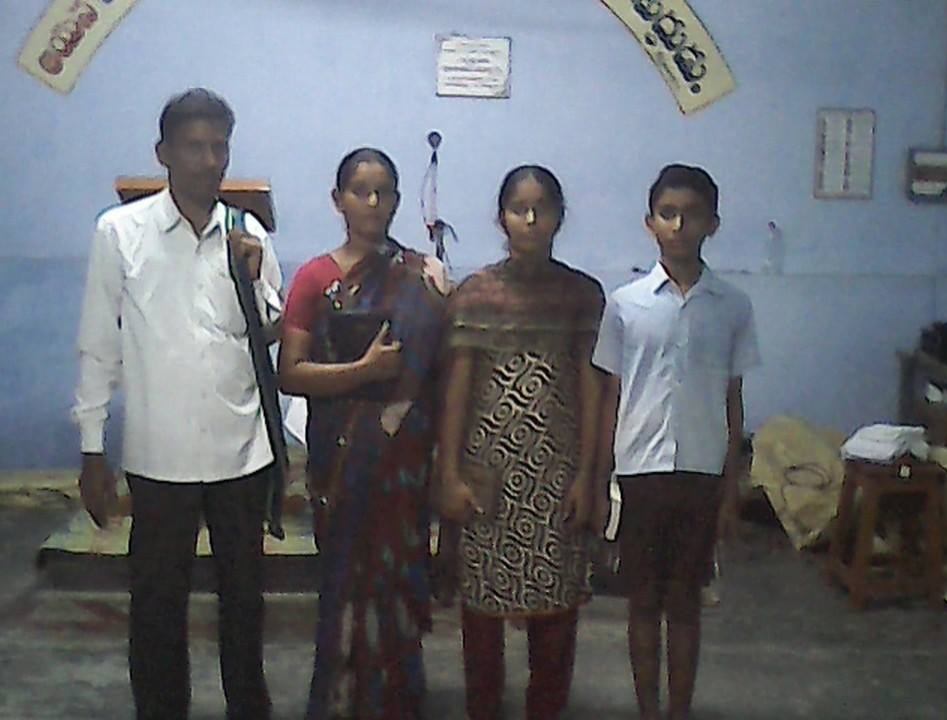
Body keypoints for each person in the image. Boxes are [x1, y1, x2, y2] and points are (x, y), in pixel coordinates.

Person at [72, 88, 282, 720]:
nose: (210, 160)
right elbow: (97, 345)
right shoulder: (120, 233)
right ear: (162, 153)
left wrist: (254, 280)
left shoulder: (247, 234)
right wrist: (91, 449)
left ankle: (249, 707)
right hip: (159, 458)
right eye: (195, 146)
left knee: (244, 604)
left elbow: (268, 335)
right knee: (157, 607)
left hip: (241, 454)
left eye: (220, 146)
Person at [278, 147, 448, 720]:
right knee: (344, 584)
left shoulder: (421, 276)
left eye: (384, 192)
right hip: (342, 462)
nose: (373, 202)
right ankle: (340, 700)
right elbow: (290, 374)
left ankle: (398, 702)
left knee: (395, 584)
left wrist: (443, 301)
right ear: (338, 200)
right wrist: (364, 372)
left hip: (401, 465)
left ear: (397, 201)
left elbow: (436, 371)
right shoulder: (314, 278)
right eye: (360, 190)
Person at [592, 164, 760, 720]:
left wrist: (732, 486)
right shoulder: (625, 304)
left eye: (692, 215)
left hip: (701, 474)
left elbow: (733, 399)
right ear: (650, 223)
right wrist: (602, 481)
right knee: (642, 602)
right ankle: (648, 710)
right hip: (640, 472)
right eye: (668, 214)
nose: (679, 226)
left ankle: (679, 711)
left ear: (713, 223)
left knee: (686, 604)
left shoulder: (732, 306)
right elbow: (612, 394)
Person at [438, 165, 605, 720]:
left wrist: (590, 477)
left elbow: (591, 387)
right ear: (501, 217)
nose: (530, 219)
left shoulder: (581, 296)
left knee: (555, 625)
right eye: (518, 208)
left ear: (559, 217)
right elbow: (457, 390)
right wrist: (449, 474)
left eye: (543, 209)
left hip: (557, 480)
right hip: (487, 480)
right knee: (482, 624)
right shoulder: (475, 294)